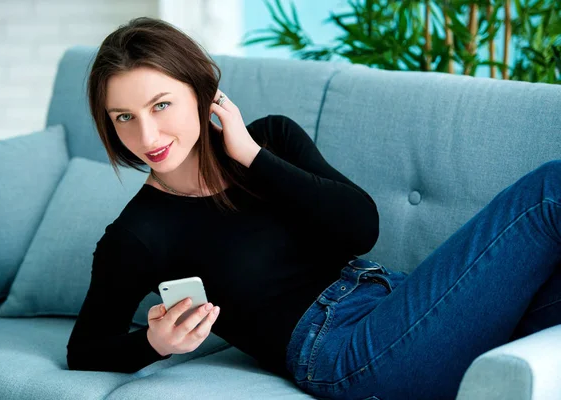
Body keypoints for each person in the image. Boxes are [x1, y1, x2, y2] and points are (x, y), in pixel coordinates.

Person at [66, 16, 561, 400]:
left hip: (395, 305)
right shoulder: (136, 233)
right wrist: (157, 344)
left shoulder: (270, 140)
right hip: (345, 355)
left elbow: (360, 228)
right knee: (550, 192)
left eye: (161, 106)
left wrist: (251, 158)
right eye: (124, 118)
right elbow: (84, 349)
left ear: (201, 94)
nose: (146, 136)